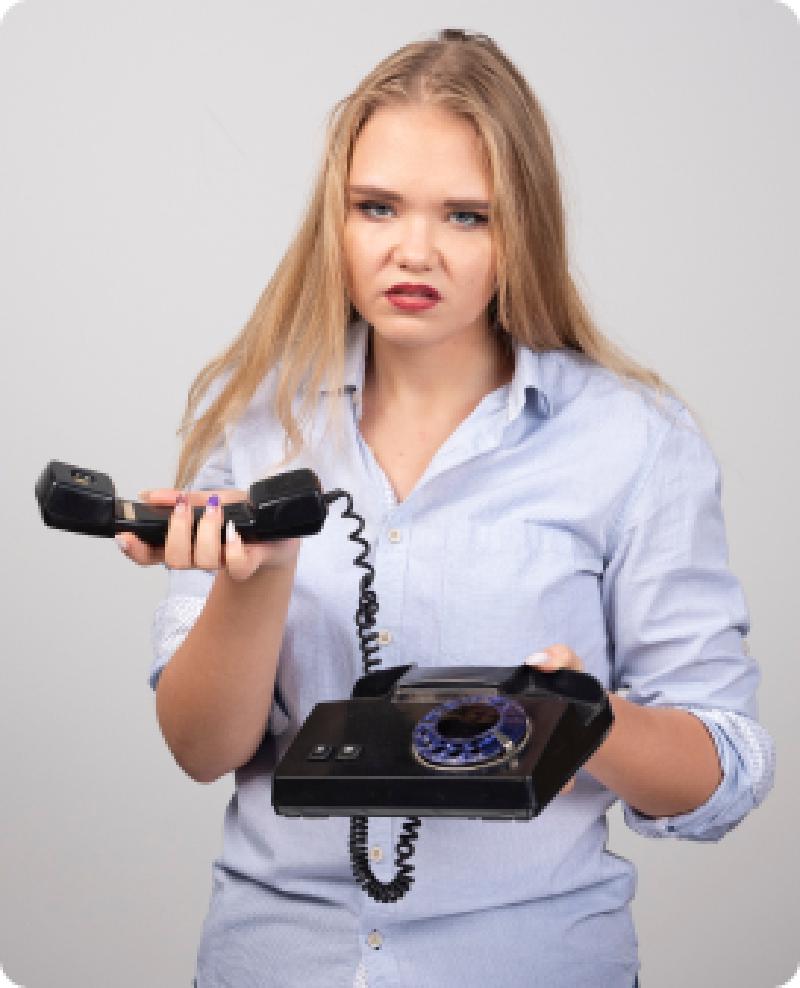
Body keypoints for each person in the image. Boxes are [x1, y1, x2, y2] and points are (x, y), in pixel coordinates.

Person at [117, 28, 775, 988]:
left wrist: (588, 722)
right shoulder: (257, 425)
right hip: (274, 961)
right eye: (377, 207)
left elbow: (728, 769)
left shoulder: (635, 441)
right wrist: (259, 582)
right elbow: (202, 749)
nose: (413, 250)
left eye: (467, 216)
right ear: (334, 222)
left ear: (523, 232)